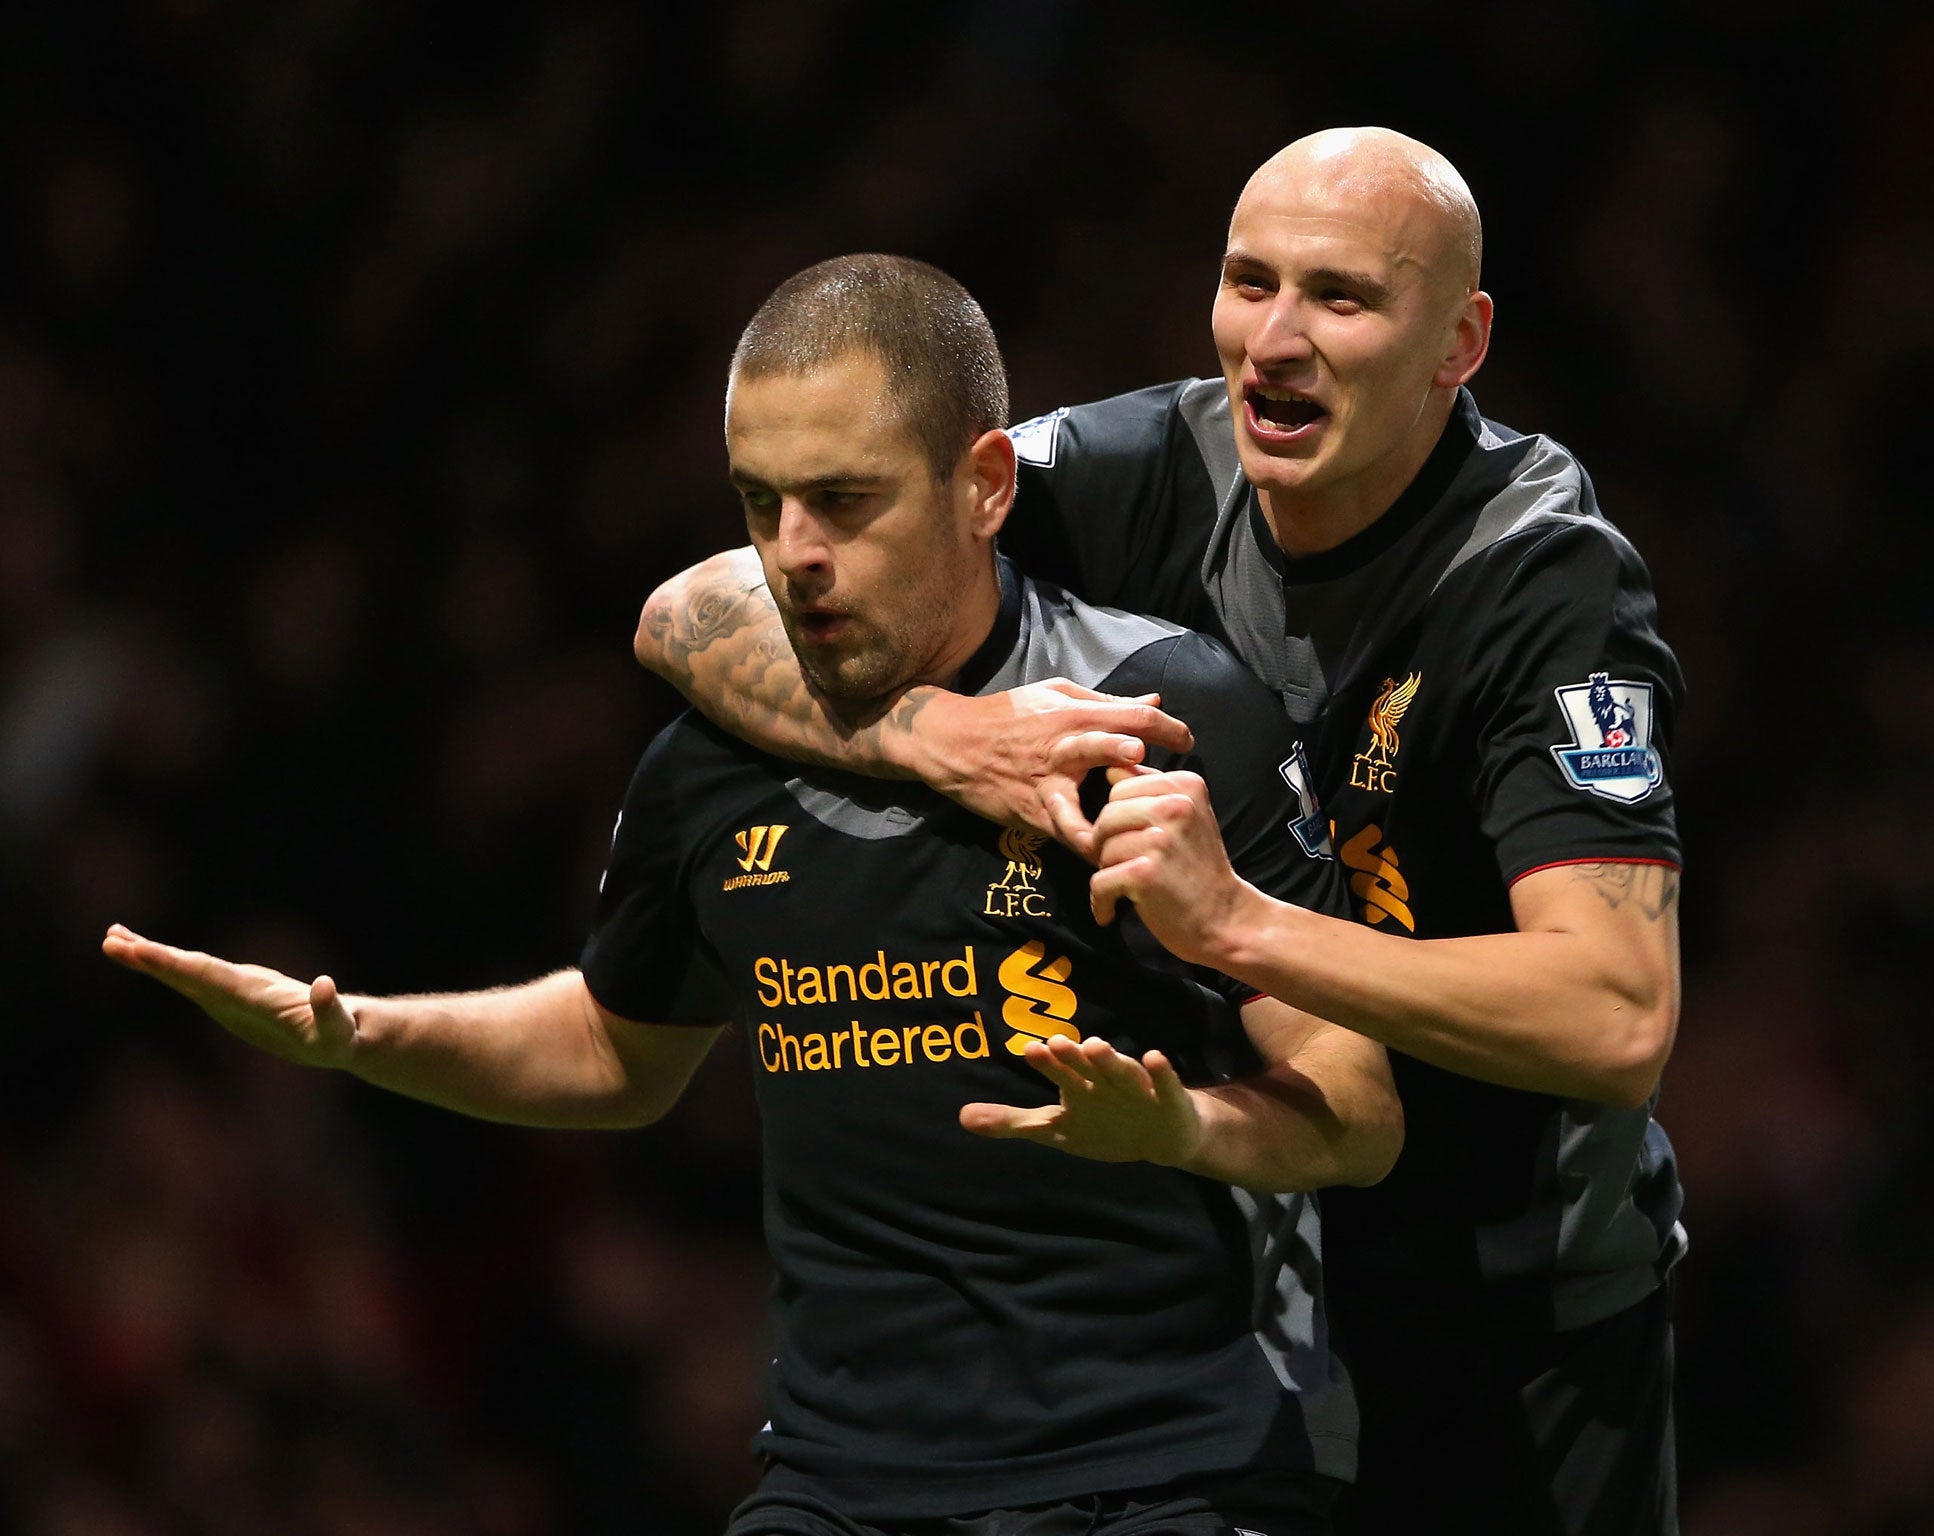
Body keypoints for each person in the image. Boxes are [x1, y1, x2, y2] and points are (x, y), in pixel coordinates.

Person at [104, 254, 1405, 1536]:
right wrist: (364, 1036)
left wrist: (1185, 1129)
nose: (795, 554)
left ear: (986, 486)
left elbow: (1356, 1112)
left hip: (1176, 1466)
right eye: (761, 503)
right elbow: (619, 1048)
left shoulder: (1164, 715)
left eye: (844, 502)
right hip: (844, 1485)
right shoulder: (712, 762)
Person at [634, 131, 1686, 1535]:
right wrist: (926, 732)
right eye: (1249, 282)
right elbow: (690, 610)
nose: (1277, 340)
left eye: (1343, 298)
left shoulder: (1540, 584)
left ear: (1460, 341)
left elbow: (1615, 1016)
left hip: (1510, 1309)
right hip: (1237, 1321)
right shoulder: (1143, 466)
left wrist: (1242, 924)